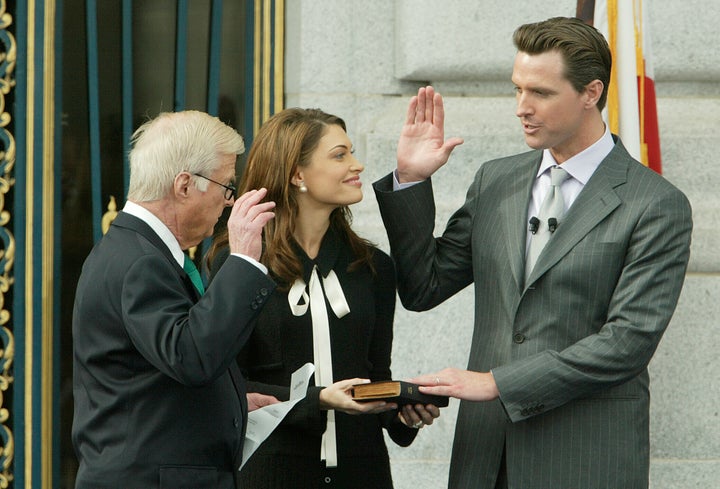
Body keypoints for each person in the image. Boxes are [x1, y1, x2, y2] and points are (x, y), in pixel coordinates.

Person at [373, 17, 692, 489]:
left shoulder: (656, 203)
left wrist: (497, 383)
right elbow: (424, 287)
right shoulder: (495, 179)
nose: (522, 107)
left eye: (540, 93)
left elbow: (627, 344)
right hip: (485, 456)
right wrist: (413, 179)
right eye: (517, 89)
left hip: (585, 456)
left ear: (591, 92)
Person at [206, 107, 440, 489]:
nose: (357, 164)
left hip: (362, 472)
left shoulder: (374, 268)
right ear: (298, 174)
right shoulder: (238, 263)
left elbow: (376, 374)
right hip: (272, 473)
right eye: (339, 155)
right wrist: (319, 400)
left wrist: (403, 413)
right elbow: (227, 384)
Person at [72, 110, 278, 489]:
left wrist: (230, 403)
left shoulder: (139, 251)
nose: (229, 202)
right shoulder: (140, 261)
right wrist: (245, 258)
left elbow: (151, 372)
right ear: (185, 185)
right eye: (226, 187)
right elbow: (192, 357)